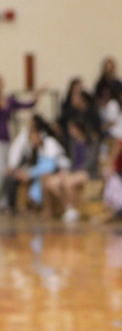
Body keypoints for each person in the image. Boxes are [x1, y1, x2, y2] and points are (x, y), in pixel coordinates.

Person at [43, 118, 100, 222]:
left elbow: (91, 162)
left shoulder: (92, 140)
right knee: (51, 183)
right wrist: (66, 171)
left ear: (79, 129)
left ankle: (72, 208)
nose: (70, 131)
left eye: (72, 128)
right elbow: (72, 161)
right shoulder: (73, 142)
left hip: (87, 172)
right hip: (74, 171)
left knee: (68, 182)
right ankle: (67, 206)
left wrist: (73, 173)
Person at [0, 76, 42, 210]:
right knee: (1, 171)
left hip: (6, 138)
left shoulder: (9, 100)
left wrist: (37, 94)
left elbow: (28, 104)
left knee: (8, 170)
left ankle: (4, 200)